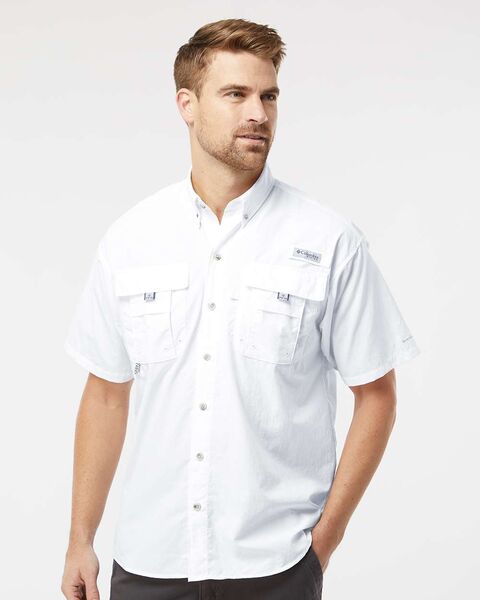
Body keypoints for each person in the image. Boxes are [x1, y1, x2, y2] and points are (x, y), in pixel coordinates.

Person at [60, 17, 421, 600]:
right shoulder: (130, 240)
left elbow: (377, 394)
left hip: (275, 566)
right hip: (149, 561)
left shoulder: (328, 240)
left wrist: (321, 545)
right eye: (236, 94)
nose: (258, 113)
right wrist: (81, 537)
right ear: (187, 104)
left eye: (269, 96)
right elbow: (106, 393)